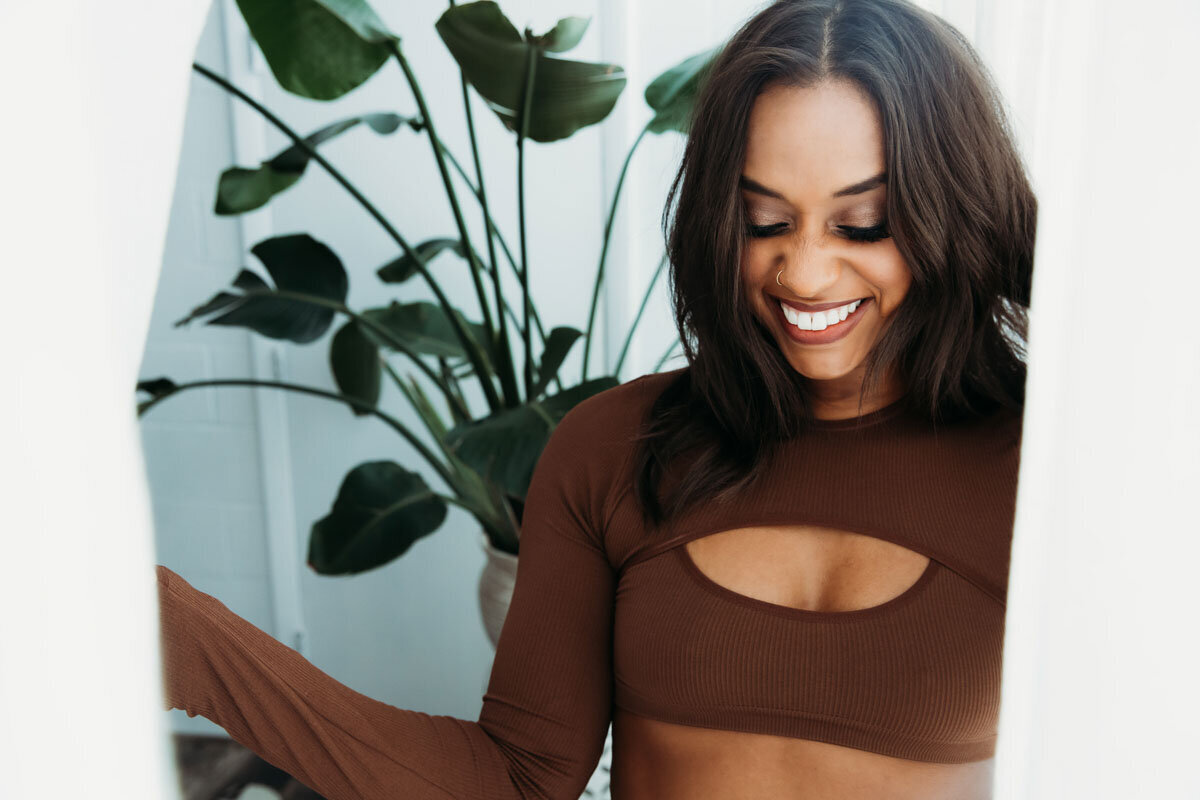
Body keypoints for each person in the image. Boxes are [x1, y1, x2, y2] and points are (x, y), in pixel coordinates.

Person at [154, 0, 1033, 797]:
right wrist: (186, 643)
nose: (802, 270)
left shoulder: (1039, 466)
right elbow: (517, 780)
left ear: (952, 209)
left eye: (863, 224)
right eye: (763, 222)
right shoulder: (616, 450)